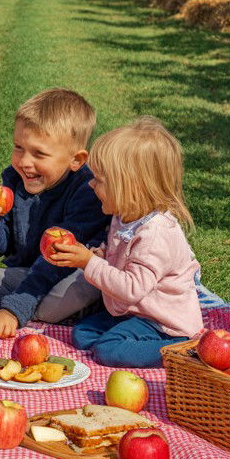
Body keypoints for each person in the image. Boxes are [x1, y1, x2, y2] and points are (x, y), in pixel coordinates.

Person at [0, 88, 109, 336]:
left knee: (88, 284)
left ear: (76, 160)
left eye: (39, 153)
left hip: (66, 279)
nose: (24, 162)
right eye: (19, 147)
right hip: (24, 275)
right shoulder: (14, 179)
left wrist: (14, 310)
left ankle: (26, 309)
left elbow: (54, 265)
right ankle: (40, 310)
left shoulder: (86, 191)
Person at [49, 115, 201, 368]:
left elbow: (132, 288)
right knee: (82, 333)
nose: (90, 184)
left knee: (108, 350)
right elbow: (126, 261)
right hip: (135, 312)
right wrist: (102, 257)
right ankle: (130, 344)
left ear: (130, 187)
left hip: (164, 324)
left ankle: (183, 352)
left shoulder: (156, 234)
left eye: (100, 180)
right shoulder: (125, 216)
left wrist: (89, 264)